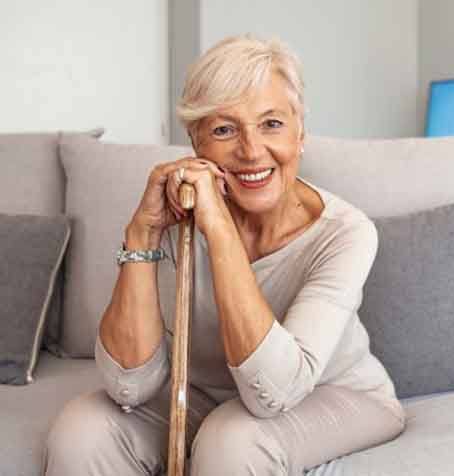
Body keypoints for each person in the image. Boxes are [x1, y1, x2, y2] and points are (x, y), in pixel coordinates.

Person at [43, 34, 406, 476]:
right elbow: (129, 386)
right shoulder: (175, 219)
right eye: (224, 129)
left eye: (271, 123)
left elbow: (272, 392)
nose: (251, 150)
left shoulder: (346, 233)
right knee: (81, 431)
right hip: (206, 395)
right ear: (197, 144)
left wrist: (219, 230)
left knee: (231, 441)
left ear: (300, 132)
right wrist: (143, 231)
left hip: (332, 395)